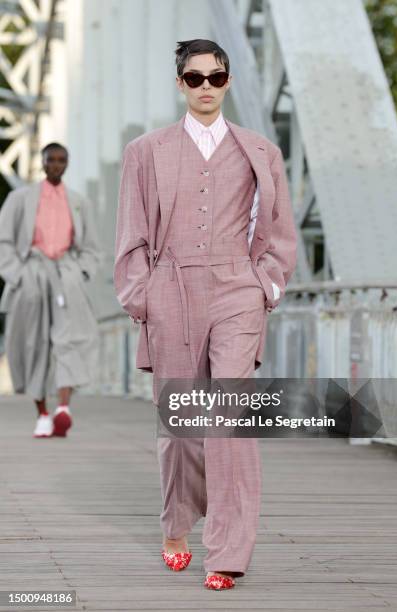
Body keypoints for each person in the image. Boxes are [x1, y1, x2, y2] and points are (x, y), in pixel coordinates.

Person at [114, 39, 297, 590]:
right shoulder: (146, 152)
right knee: (182, 426)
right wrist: (141, 296)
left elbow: (281, 232)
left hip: (237, 287)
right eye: (195, 79)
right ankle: (176, 526)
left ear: (229, 80)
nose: (206, 88)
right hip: (169, 287)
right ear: (180, 84)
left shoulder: (261, 151)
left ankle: (228, 551)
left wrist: (265, 283)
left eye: (215, 78)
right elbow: (131, 232)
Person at [0, 143, 101, 438]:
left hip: (66, 276)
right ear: (42, 163)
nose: (56, 165)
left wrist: (80, 272)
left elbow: (92, 247)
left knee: (69, 340)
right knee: (34, 344)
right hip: (31, 276)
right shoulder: (20, 199)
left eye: (61, 160)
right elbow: (3, 240)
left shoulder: (79, 201)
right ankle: (42, 413)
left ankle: (64, 408)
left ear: (68, 163)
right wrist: (17, 275)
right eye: (51, 160)